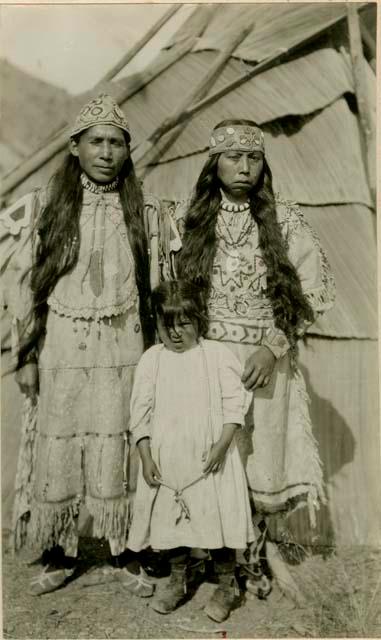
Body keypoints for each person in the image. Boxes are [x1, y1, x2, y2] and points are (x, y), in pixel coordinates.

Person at [0, 94, 179, 596]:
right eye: (96, 141)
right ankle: (58, 552)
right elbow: (21, 282)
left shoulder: (143, 212)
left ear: (127, 151)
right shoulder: (45, 205)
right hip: (60, 343)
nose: (106, 152)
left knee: (120, 435)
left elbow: (162, 284)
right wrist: (27, 353)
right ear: (75, 146)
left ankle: (124, 550)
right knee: (59, 438)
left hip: (123, 343)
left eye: (117, 143)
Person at [175, 119, 336, 591]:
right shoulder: (192, 220)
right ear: (214, 163)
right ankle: (211, 557)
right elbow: (172, 290)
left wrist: (273, 346)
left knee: (262, 456)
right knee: (212, 455)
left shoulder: (285, 218)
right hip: (207, 360)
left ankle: (259, 556)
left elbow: (316, 290)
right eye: (233, 157)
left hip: (267, 362)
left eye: (254, 158)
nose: (244, 167)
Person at [127, 279, 254, 622]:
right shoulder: (152, 360)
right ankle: (178, 579)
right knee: (173, 520)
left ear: (199, 319)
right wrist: (146, 455)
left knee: (217, 518)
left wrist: (221, 446)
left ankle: (227, 583)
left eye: (184, 323)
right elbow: (139, 415)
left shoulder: (216, 356)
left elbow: (233, 407)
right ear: (157, 324)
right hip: (169, 459)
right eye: (168, 326)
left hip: (210, 458)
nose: (177, 333)